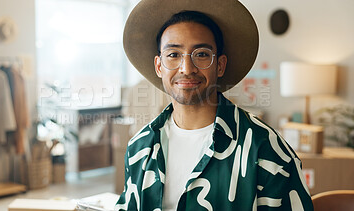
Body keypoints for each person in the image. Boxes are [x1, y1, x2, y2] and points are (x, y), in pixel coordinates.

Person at [115, 0, 314, 210]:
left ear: (219, 65)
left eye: (201, 54)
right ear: (158, 66)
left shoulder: (265, 149)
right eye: (173, 55)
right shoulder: (140, 147)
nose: (186, 68)